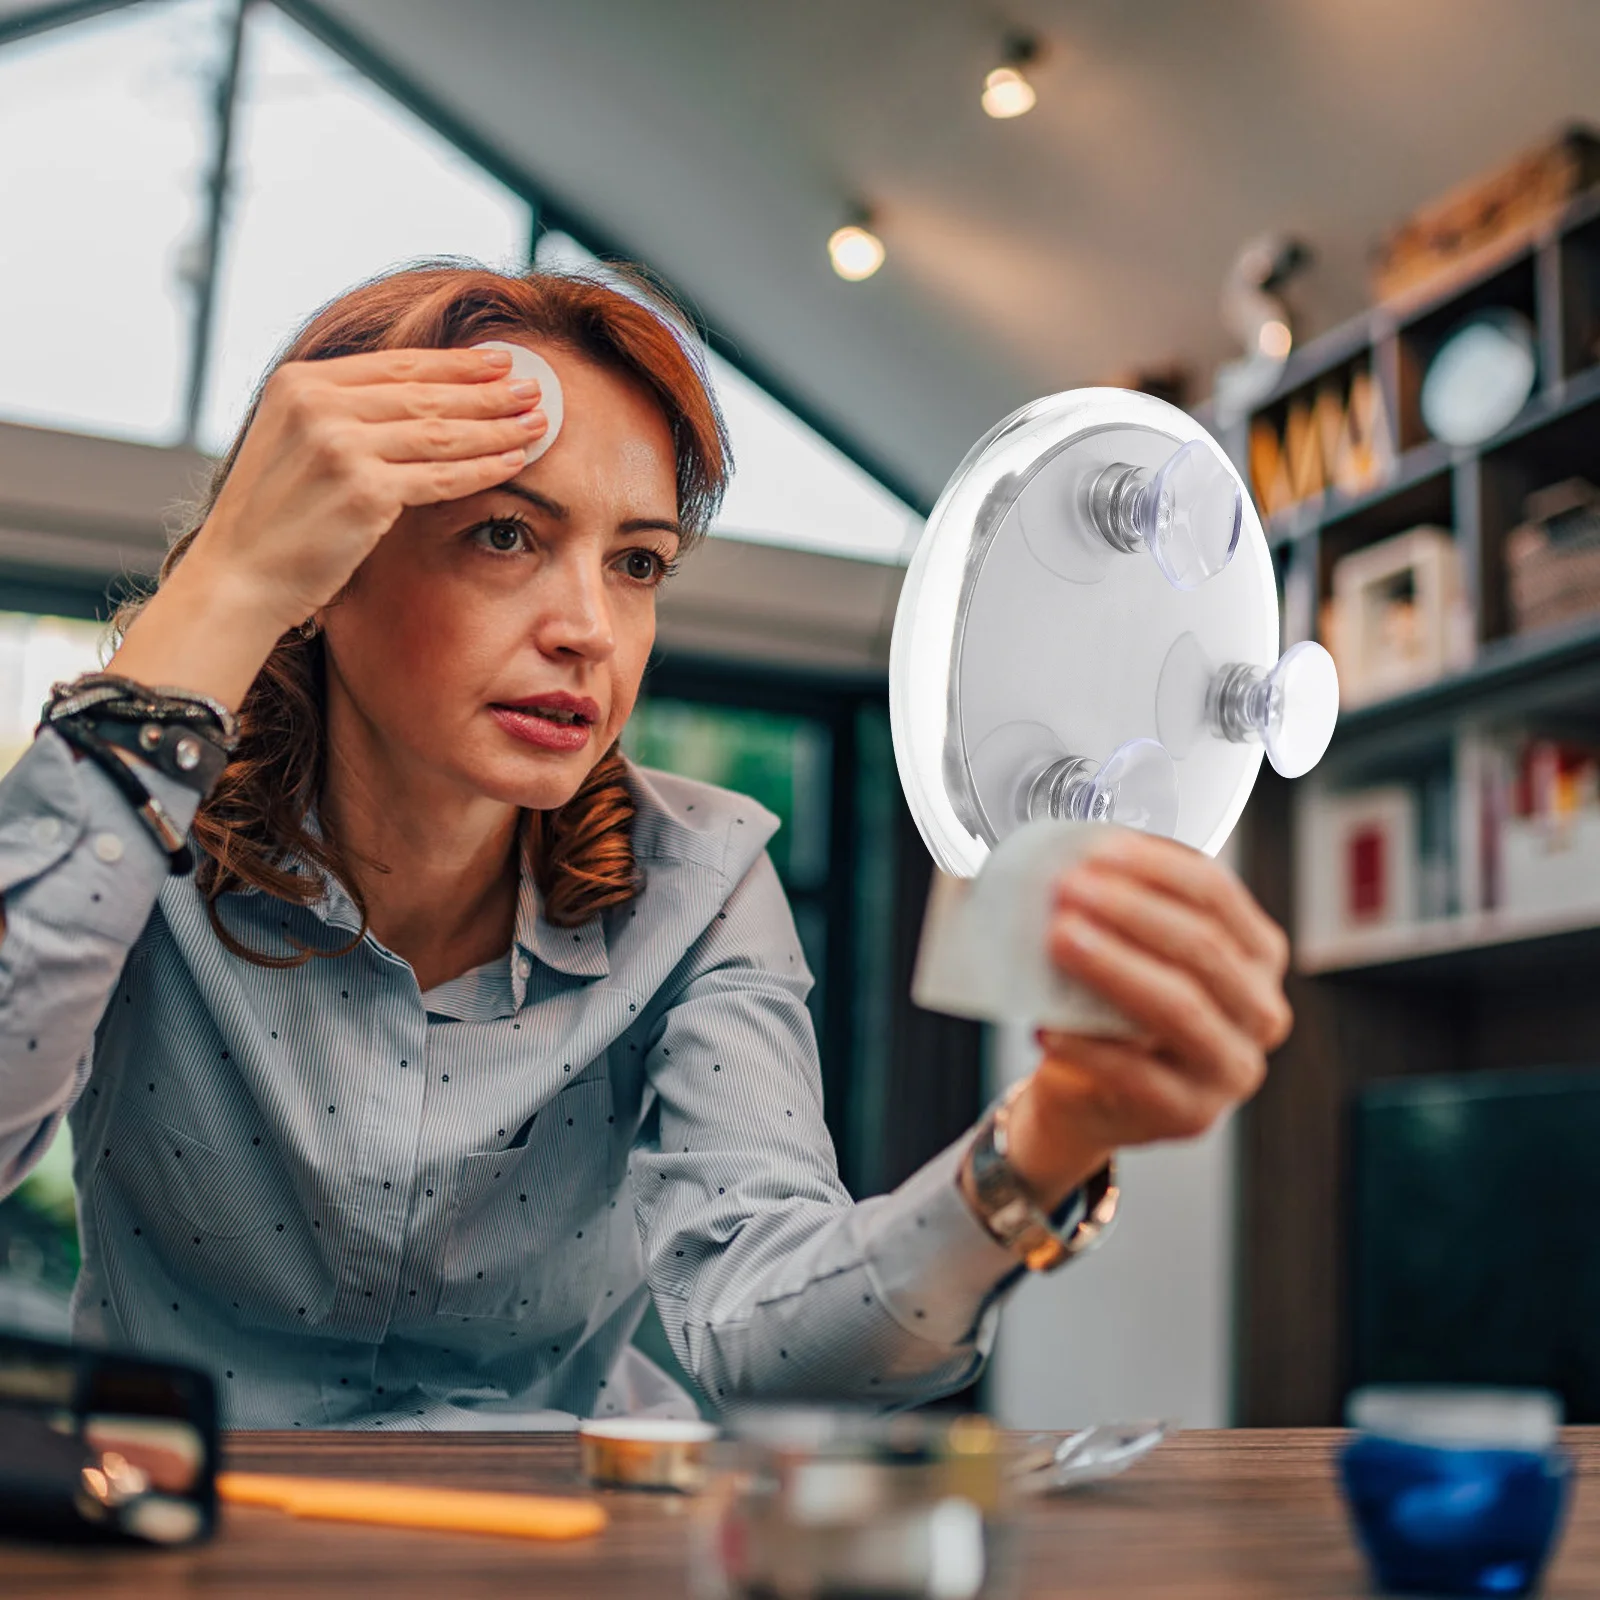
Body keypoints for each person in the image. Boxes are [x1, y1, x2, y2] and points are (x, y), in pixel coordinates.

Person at [0, 263, 1290, 1428]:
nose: (589, 630)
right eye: (506, 534)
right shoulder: (127, 840)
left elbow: (766, 1333)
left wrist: (1052, 1136)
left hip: (575, 1552)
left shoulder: (700, 882)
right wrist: (223, 585)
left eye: (637, 563)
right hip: (180, 1537)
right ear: (326, 567)